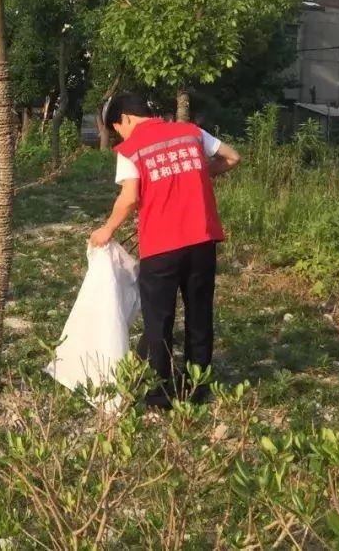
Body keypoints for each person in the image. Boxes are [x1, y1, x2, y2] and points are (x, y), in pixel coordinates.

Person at [90, 94, 240, 408]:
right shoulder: (190, 132)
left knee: (159, 320)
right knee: (200, 314)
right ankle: (198, 389)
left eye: (118, 129)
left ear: (125, 119)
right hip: (202, 241)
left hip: (161, 247)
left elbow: (130, 197)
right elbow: (231, 157)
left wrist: (107, 230)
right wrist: (198, 173)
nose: (120, 136)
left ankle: (160, 395)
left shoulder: (131, 148)